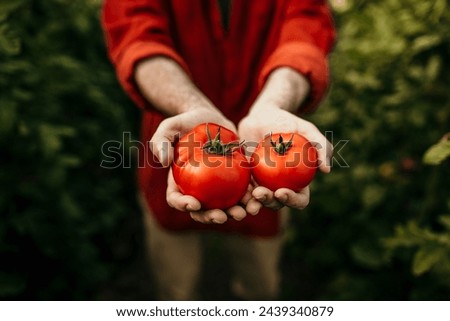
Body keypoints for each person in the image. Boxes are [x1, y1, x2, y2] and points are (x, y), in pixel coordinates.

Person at [101, 0, 336, 300]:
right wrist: (190, 105)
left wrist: (274, 102)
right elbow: (137, 36)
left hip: (264, 169)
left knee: (261, 288)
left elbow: (305, 32)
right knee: (175, 290)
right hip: (173, 146)